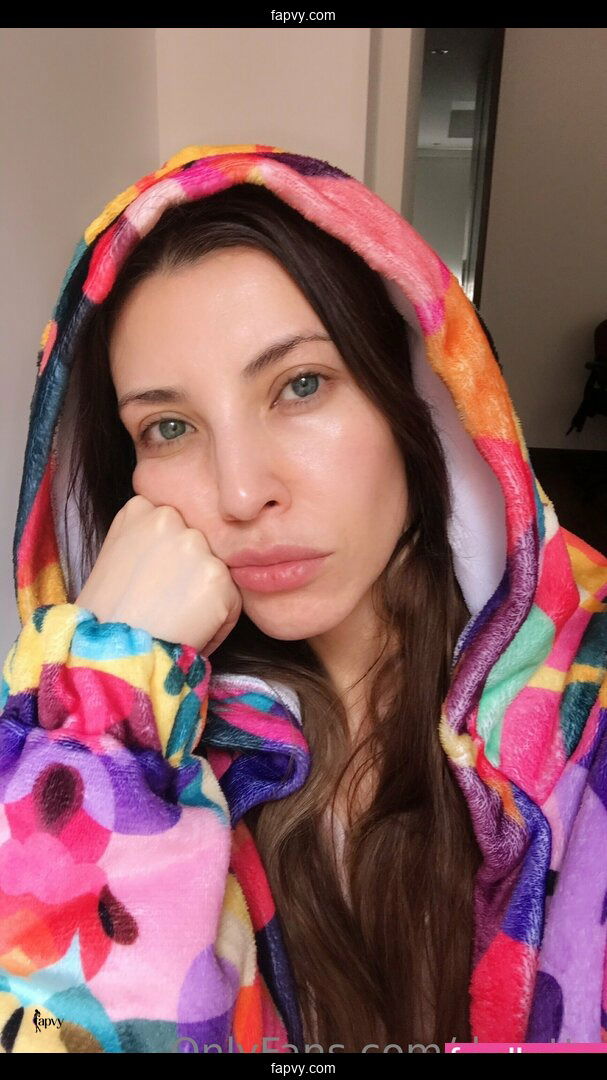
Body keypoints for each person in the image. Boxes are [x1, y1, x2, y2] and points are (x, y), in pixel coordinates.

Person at [0, 143, 605, 1055]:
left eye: (301, 385)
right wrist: (105, 712)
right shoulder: (78, 735)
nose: (242, 493)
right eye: (169, 426)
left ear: (421, 401)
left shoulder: (585, 712)